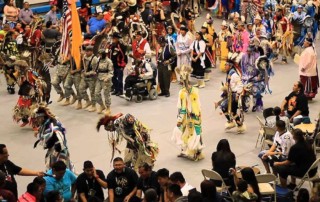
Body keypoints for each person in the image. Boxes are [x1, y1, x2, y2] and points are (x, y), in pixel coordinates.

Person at [173, 65, 204, 161]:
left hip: (193, 115)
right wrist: (179, 117)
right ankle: (184, 150)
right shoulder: (181, 92)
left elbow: (197, 104)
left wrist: (196, 114)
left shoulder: (194, 91)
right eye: (181, 77)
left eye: (183, 77)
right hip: (184, 115)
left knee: (196, 133)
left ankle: (198, 152)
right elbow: (181, 105)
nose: (182, 79)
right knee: (181, 131)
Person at [32, 104, 72, 171]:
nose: (36, 120)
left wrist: (57, 152)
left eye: (37, 118)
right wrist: (39, 130)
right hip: (54, 149)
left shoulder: (53, 126)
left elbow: (59, 138)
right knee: (54, 169)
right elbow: (45, 129)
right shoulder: (47, 122)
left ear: (42, 117)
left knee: (61, 170)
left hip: (59, 151)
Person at [219, 58, 246, 133]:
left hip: (234, 95)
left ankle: (231, 122)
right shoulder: (229, 73)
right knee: (233, 111)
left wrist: (237, 94)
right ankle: (239, 126)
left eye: (226, 65)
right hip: (231, 95)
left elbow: (240, 85)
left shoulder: (234, 75)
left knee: (223, 106)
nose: (225, 66)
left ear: (230, 66)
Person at [79, 45, 98, 112]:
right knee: (81, 89)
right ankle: (87, 101)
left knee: (92, 92)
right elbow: (83, 66)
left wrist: (87, 73)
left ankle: (93, 106)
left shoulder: (95, 59)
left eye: (88, 51)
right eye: (86, 51)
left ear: (91, 52)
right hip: (85, 77)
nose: (86, 53)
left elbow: (95, 71)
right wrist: (83, 71)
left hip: (92, 78)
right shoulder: (84, 57)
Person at [94, 49, 113, 114]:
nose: (99, 55)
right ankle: (102, 105)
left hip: (106, 80)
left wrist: (107, 78)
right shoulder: (98, 60)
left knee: (106, 94)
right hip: (99, 78)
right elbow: (96, 69)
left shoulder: (108, 61)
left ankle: (108, 108)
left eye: (100, 54)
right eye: (99, 54)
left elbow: (111, 72)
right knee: (96, 93)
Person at [109, 32, 127, 96]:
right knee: (113, 78)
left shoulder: (121, 46)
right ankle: (116, 89)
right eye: (113, 38)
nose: (113, 39)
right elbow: (110, 55)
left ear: (117, 39)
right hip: (113, 65)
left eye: (114, 38)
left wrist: (123, 66)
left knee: (120, 79)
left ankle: (120, 91)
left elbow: (124, 57)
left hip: (119, 66)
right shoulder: (111, 46)